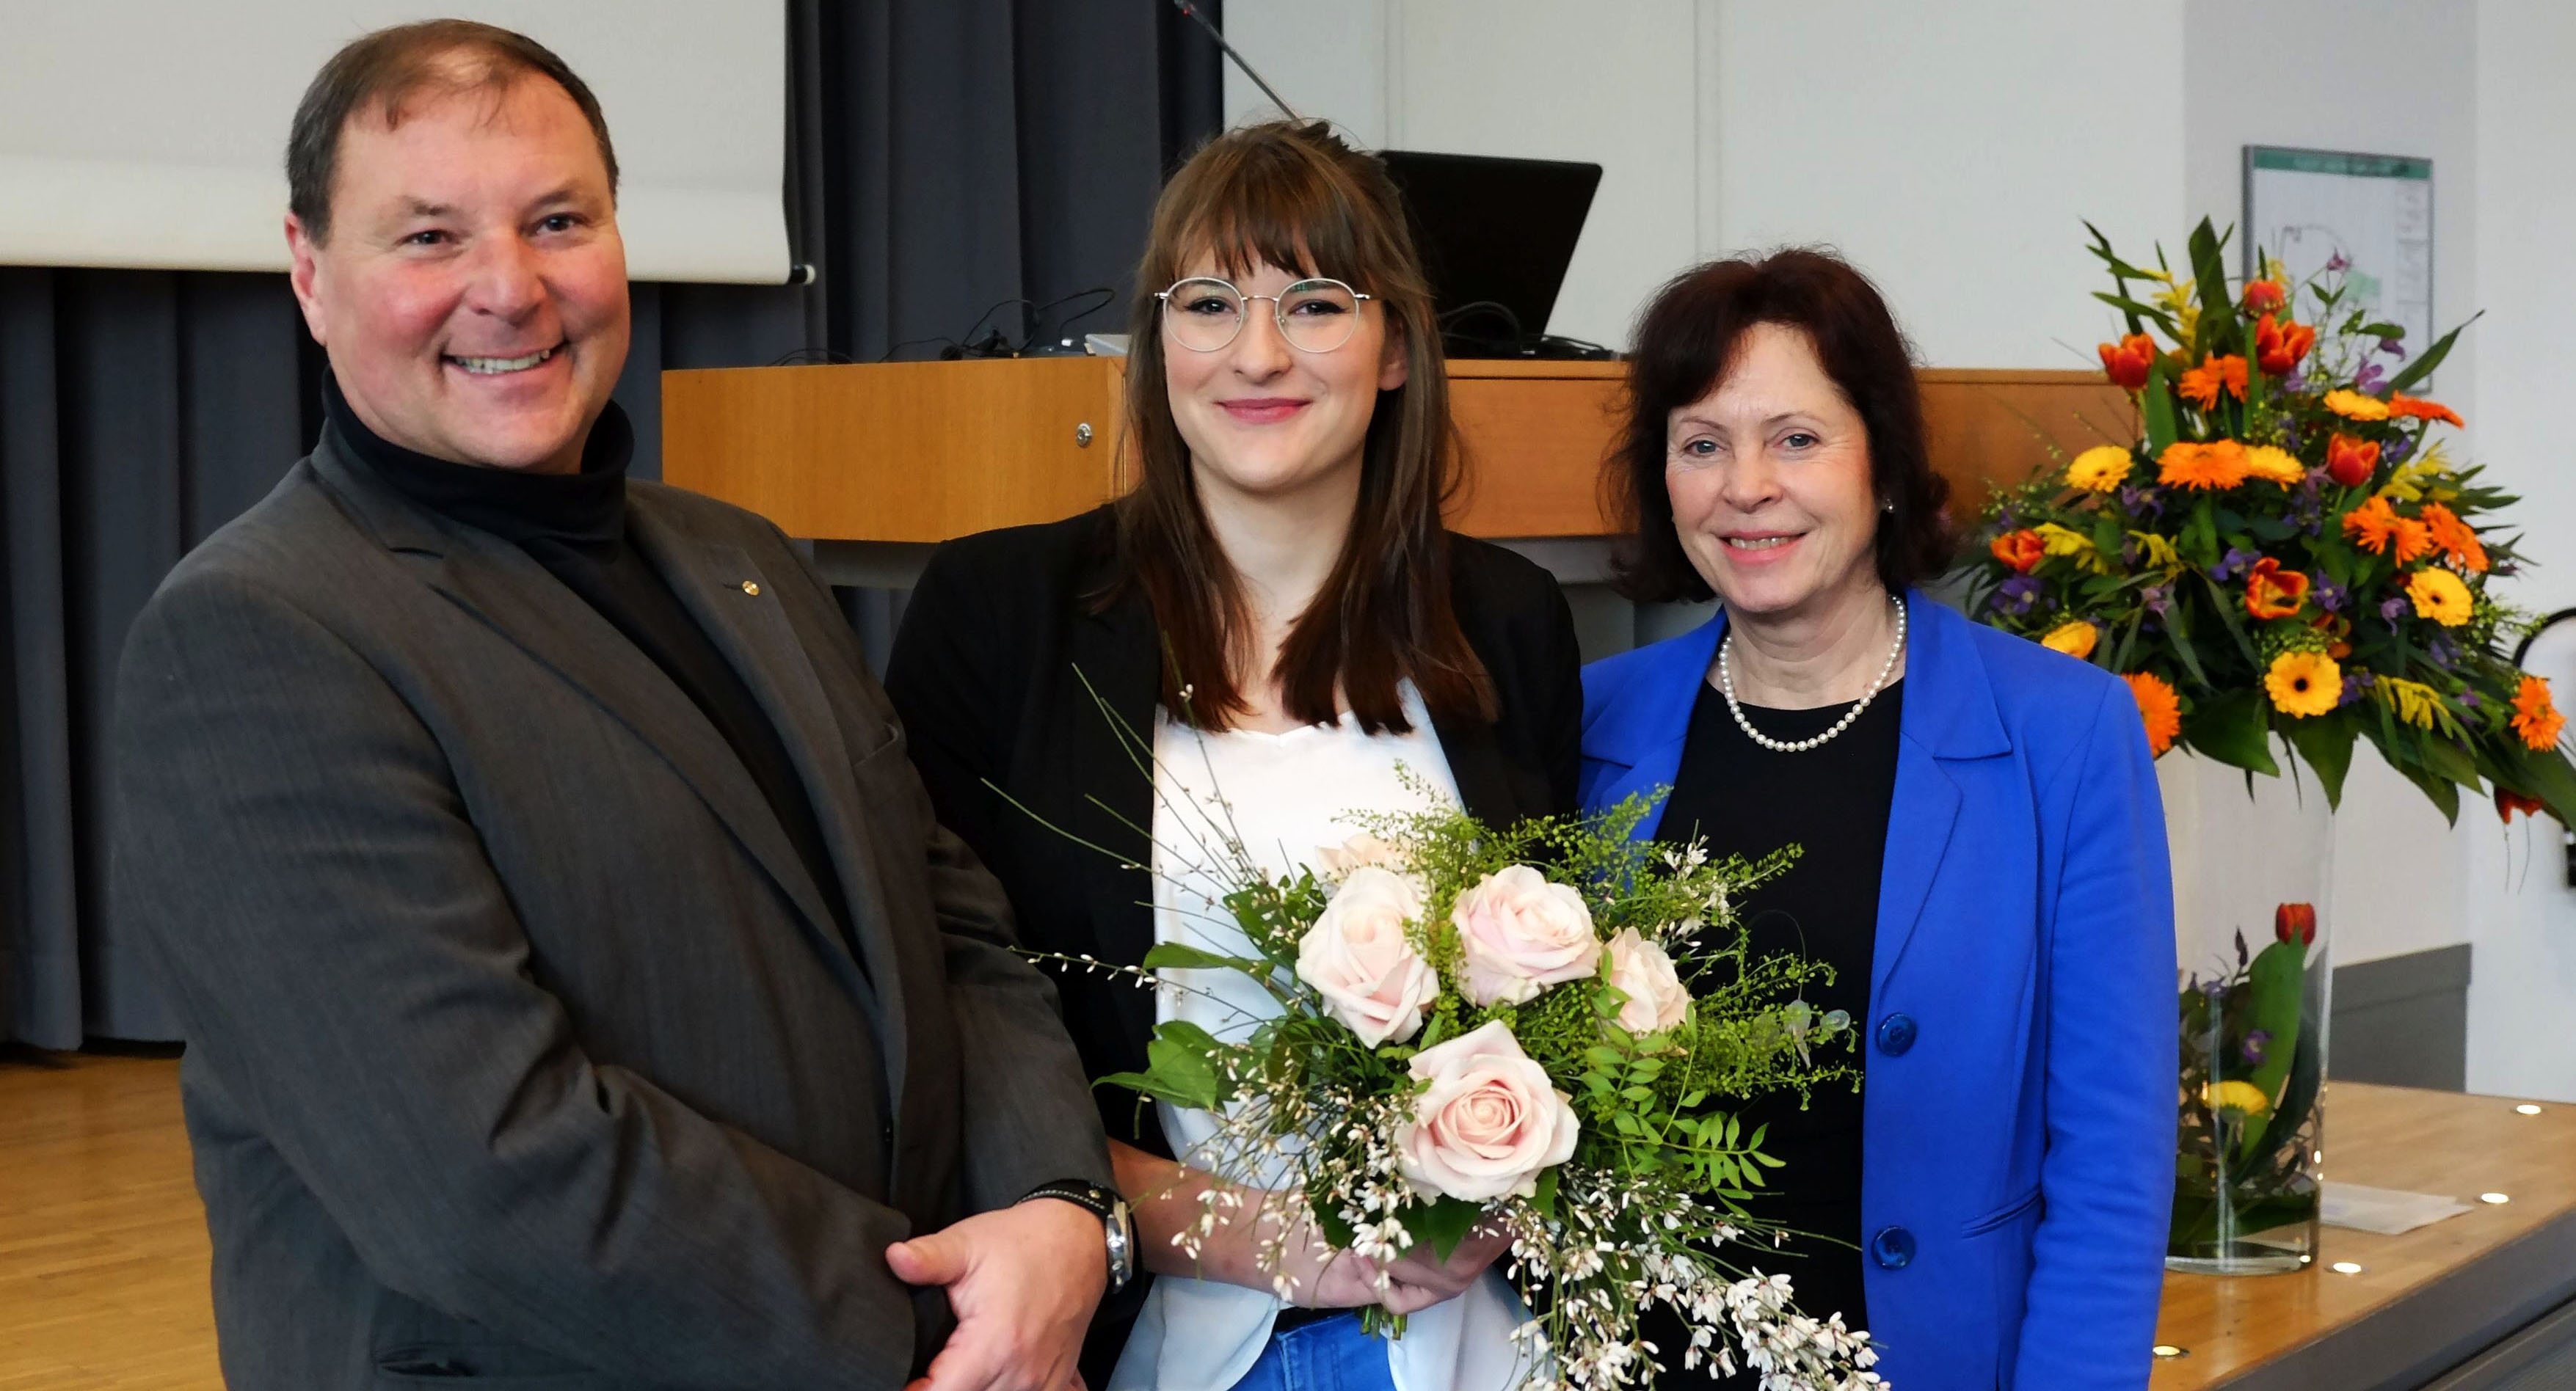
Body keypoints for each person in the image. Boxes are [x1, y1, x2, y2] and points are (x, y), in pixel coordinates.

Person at [111, 21, 1121, 1391]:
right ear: (310, 272)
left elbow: (949, 931)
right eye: (427, 239)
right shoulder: (258, 636)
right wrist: (941, 1331)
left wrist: (1059, 1213)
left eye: (557, 220)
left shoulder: (743, 557)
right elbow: (478, 1180)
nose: (509, 289)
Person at [883, 120, 1582, 1391]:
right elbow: (937, 1026)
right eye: (1208, 303)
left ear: (1394, 351)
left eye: (1313, 303)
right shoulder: (1003, 613)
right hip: (1153, 1337)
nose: (1256, 352)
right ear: (1157, 348)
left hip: (1474, 1345)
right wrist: (1271, 1239)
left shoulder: (1507, 619)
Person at [1578, 251, 2174, 1391]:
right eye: (1701, 443)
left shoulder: (2063, 733)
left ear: (1884, 468)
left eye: (1796, 439)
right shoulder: (1589, 726)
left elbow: (2111, 1157)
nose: (1744, 486)